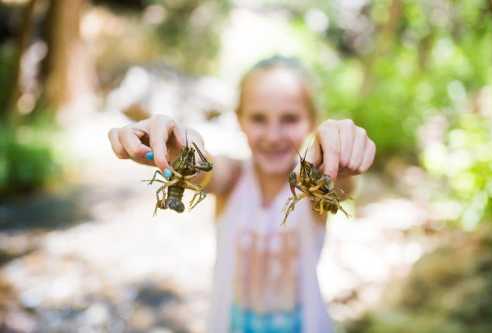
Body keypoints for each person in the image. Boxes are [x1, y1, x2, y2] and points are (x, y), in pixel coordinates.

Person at [107, 55, 375, 333]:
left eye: (290, 119)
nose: (273, 135)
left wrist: (340, 163)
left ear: (311, 122)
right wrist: (177, 152)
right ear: (239, 120)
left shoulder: (311, 186)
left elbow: (340, 191)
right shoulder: (233, 178)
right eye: (259, 118)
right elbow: (206, 172)